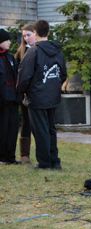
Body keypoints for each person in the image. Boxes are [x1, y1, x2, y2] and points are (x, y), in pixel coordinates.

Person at [16, 20, 67, 170]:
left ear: (36, 33)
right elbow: (63, 74)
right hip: (53, 96)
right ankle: (54, 161)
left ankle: (45, 163)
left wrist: (22, 91)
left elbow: (24, 76)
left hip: (37, 97)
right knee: (51, 129)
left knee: (41, 130)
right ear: (49, 32)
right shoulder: (57, 51)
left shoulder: (33, 51)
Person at [15, 23, 36, 164]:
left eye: (28, 35)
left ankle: (44, 154)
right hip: (25, 94)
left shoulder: (40, 49)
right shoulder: (20, 52)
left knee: (40, 125)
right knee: (26, 123)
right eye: (24, 36)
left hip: (39, 93)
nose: (26, 38)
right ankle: (24, 155)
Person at [0, 29, 20, 164]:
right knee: (2, 129)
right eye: (6, 40)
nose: (9, 42)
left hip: (13, 99)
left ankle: (10, 157)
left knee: (13, 128)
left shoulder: (10, 57)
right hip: (2, 101)